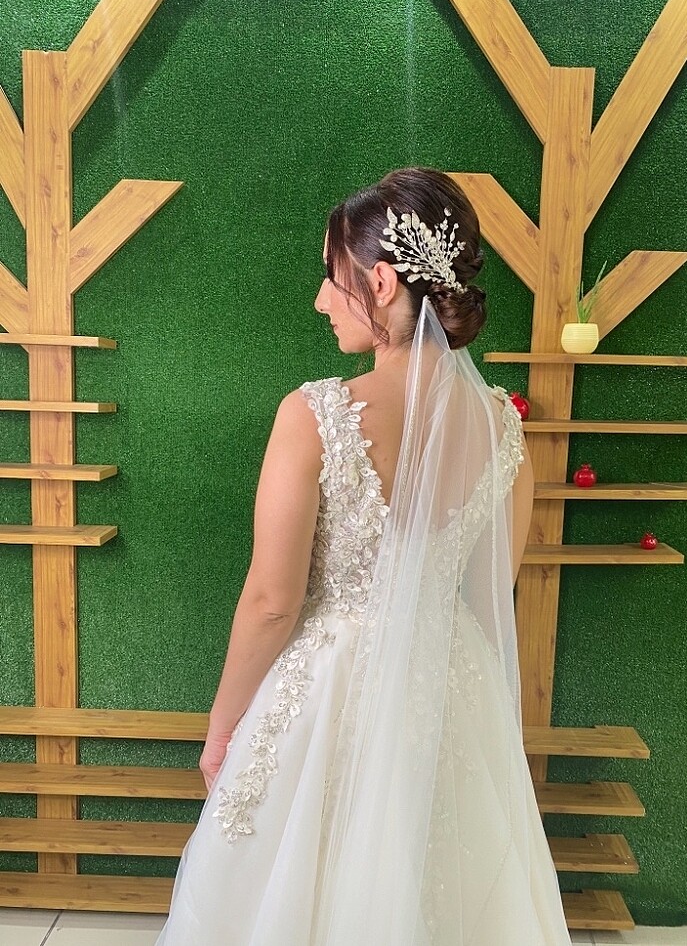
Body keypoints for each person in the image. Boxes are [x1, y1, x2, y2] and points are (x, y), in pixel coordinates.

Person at [155, 166, 572, 945]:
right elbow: (493, 586)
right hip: (448, 689)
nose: (321, 299)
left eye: (331, 275)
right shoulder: (505, 431)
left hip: (331, 691)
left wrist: (222, 727)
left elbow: (273, 600)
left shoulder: (316, 413)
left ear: (380, 282)